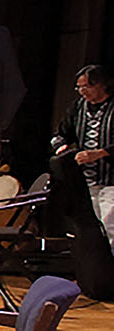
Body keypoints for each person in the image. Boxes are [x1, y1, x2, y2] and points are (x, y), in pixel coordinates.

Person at [53, 64, 114, 252]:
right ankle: (95, 276)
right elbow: (60, 134)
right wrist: (62, 148)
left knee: (110, 227)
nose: (81, 91)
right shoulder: (79, 107)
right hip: (85, 183)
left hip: (111, 182)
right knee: (90, 232)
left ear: (101, 85)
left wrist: (101, 153)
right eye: (78, 87)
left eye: (86, 86)